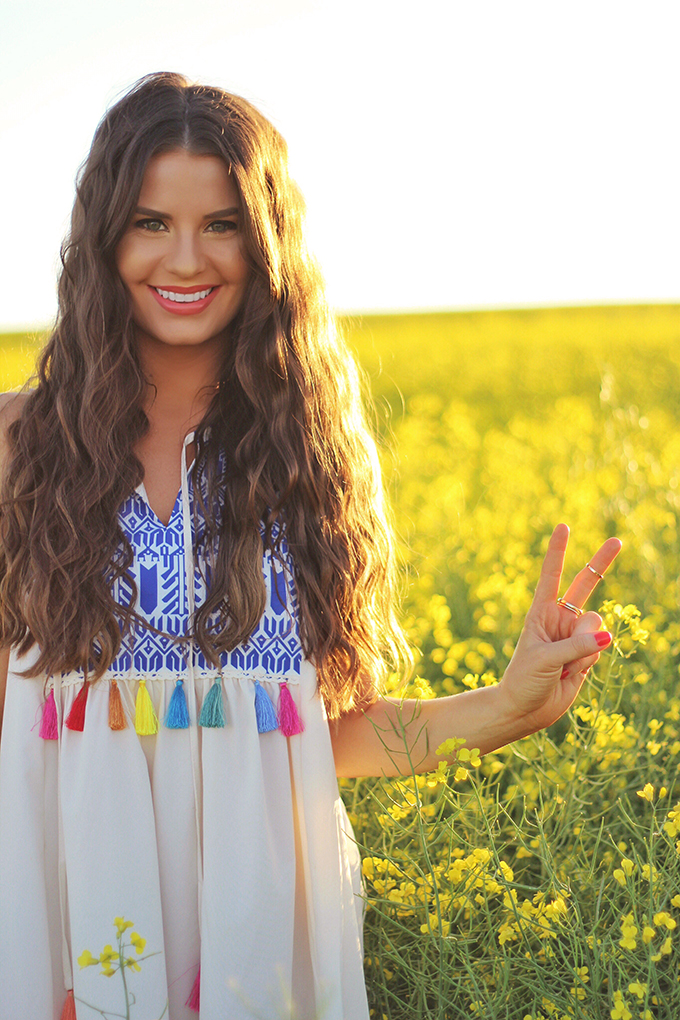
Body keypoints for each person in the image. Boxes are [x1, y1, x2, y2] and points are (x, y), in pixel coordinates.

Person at [0, 72, 621, 1020]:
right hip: (67, 918)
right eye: (150, 222)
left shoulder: (310, 455)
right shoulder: (18, 445)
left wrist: (508, 704)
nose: (186, 257)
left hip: (259, 929)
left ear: (268, 242)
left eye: (222, 224)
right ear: (103, 237)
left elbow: (318, 736)